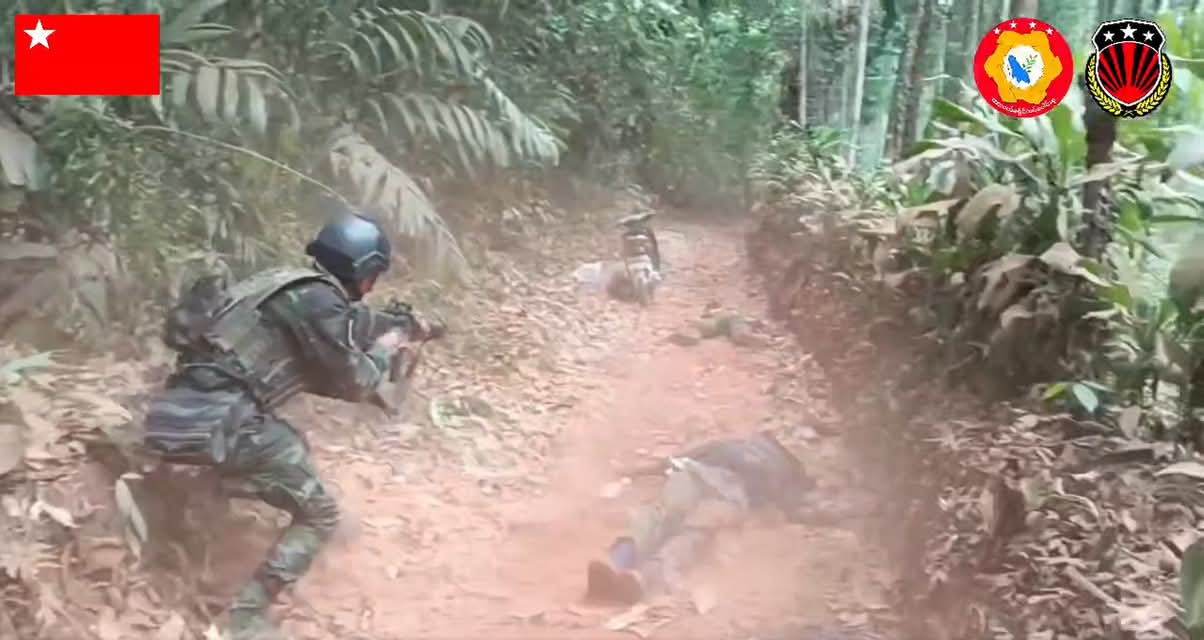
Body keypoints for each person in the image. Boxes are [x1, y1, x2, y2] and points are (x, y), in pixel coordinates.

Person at [143, 210, 441, 639]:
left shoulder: (279, 284)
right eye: (373, 277)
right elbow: (355, 382)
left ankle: (211, 537)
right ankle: (243, 621)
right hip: (225, 423)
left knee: (288, 447)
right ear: (364, 272)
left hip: (174, 414)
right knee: (321, 514)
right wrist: (388, 348)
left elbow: (336, 342)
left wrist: (388, 330)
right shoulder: (319, 300)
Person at [586, 430, 816, 604]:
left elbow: (675, 459)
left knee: (662, 517)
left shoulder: (737, 447)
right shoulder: (784, 475)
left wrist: (635, 471)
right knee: (689, 533)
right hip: (724, 493)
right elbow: (794, 509)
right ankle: (638, 577)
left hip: (704, 481)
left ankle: (620, 564)